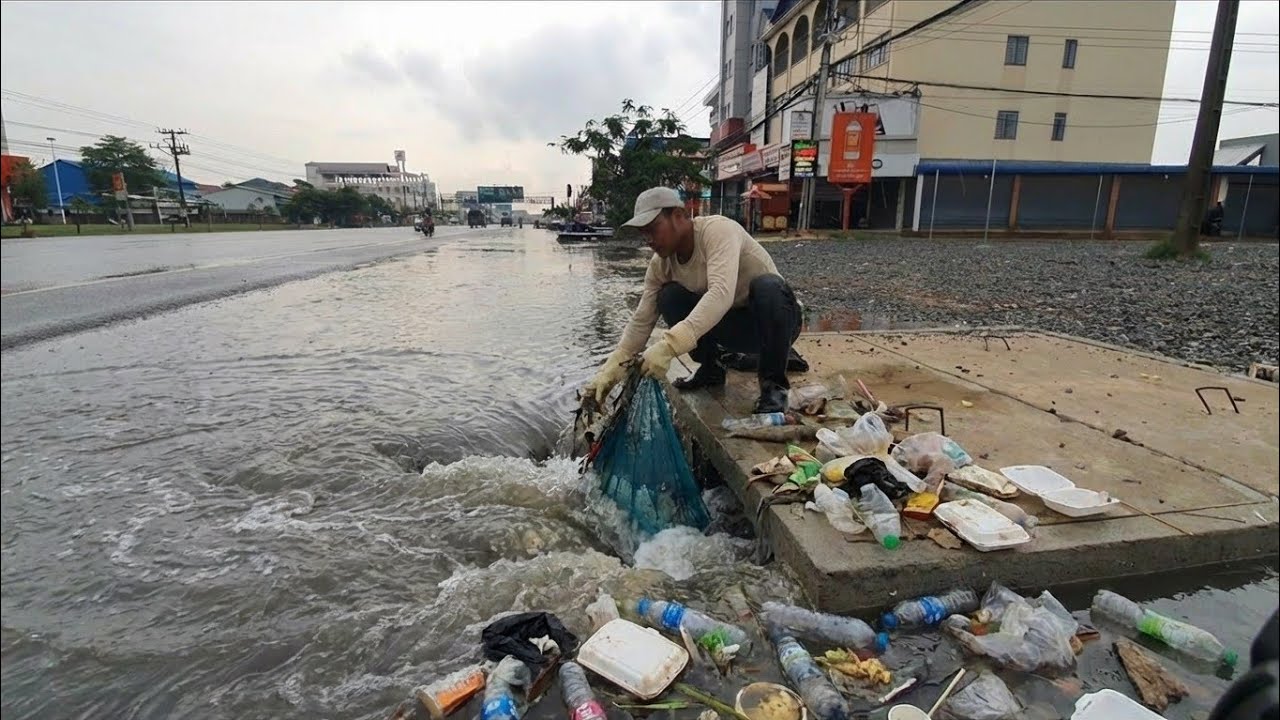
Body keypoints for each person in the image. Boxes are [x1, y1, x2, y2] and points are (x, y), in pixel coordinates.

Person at [584, 186, 803, 414]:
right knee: (669, 296)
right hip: (731, 329)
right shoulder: (661, 265)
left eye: (653, 229)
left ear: (678, 216)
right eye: (643, 233)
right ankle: (711, 368)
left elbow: (721, 293)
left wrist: (668, 347)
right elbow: (642, 320)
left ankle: (774, 390)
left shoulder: (717, 231)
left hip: (777, 325)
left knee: (768, 286)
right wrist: (612, 367)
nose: (648, 239)